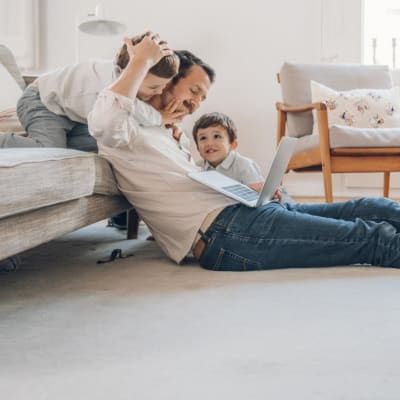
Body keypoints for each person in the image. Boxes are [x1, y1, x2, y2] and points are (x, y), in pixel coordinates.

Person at [88, 39, 400, 271]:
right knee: (371, 237)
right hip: (223, 235)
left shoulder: (168, 134)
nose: (196, 104)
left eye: (202, 98)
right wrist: (139, 62)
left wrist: (242, 191)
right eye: (194, 91)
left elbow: (188, 188)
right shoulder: (122, 129)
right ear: (167, 83)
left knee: (373, 206)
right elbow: (105, 119)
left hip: (241, 214)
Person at [0, 32, 183, 151]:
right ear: (126, 72)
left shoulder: (119, 75)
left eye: (163, 87)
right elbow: (133, 110)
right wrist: (161, 117)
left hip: (72, 114)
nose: (158, 93)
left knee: (104, 144)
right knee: (48, 149)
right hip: (43, 102)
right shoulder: (107, 86)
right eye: (153, 88)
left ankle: (59, 143)